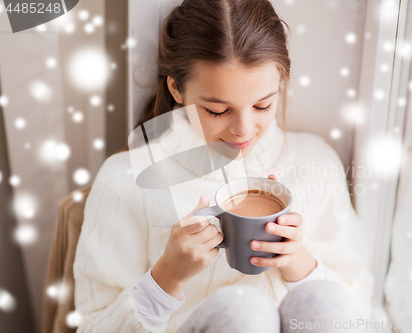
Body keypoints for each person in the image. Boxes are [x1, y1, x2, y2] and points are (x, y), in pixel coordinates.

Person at [73, 0, 374, 332]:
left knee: (326, 300)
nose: (243, 130)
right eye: (217, 110)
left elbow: (361, 309)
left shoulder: (315, 163)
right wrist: (167, 276)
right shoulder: (126, 181)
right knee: (242, 312)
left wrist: (298, 261)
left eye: (263, 105)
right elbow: (93, 325)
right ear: (176, 88)